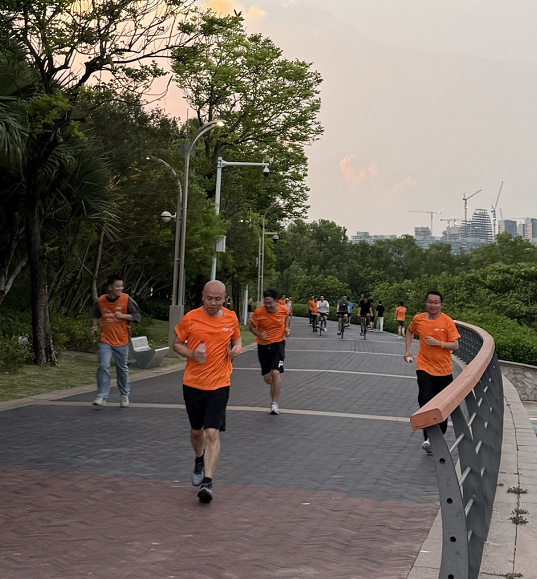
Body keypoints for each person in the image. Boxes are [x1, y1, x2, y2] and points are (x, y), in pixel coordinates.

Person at [174, 280, 242, 503]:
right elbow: (177, 343)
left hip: (220, 384)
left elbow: (236, 339)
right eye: (209, 298)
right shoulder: (191, 318)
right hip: (193, 383)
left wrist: (237, 349)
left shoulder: (231, 318)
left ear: (224, 299)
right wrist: (192, 354)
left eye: (218, 299)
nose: (213, 303)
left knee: (212, 432)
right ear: (202, 297)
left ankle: (208, 482)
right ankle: (199, 459)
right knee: (197, 431)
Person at [404, 291, 460, 454]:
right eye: (430, 302)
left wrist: (438, 343)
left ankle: (438, 436)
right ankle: (428, 437)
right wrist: (408, 350)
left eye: (436, 302)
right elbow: (410, 331)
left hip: (444, 371)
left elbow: (455, 345)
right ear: (426, 303)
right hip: (424, 367)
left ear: (441, 305)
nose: (432, 305)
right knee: (425, 399)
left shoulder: (447, 321)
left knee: (441, 407)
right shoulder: (419, 319)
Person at [91, 275, 141, 408]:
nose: (120, 288)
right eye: (117, 286)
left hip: (121, 340)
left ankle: (124, 394)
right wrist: (94, 326)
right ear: (110, 287)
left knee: (122, 368)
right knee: (103, 365)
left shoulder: (126, 299)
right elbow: (96, 314)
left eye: (121, 286)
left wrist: (122, 316)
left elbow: (136, 316)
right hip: (105, 339)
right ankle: (101, 396)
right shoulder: (101, 300)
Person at [250, 289, 290, 415]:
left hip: (278, 345)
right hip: (263, 346)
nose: (267, 305)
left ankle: (274, 403)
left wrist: (286, 328)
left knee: (276, 372)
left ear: (276, 301)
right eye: (265, 302)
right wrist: (259, 334)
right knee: (268, 378)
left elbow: (287, 317)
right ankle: (275, 386)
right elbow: (251, 327)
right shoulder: (258, 312)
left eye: (270, 303)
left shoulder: (283, 309)